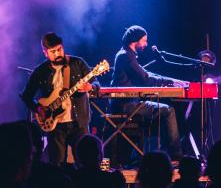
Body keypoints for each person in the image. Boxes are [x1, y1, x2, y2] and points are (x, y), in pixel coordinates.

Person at [20, 32, 99, 165]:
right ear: (45, 52)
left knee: (86, 163)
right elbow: (26, 96)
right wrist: (38, 108)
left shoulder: (77, 63)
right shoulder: (40, 71)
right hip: (55, 127)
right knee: (56, 166)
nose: (57, 54)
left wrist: (90, 87)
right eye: (53, 51)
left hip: (79, 123)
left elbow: (97, 84)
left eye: (59, 49)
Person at [111, 25, 182, 159]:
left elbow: (145, 74)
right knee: (168, 110)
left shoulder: (126, 54)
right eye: (144, 40)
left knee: (161, 110)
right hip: (127, 105)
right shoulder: (126, 56)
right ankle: (176, 155)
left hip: (127, 103)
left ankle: (155, 154)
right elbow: (146, 79)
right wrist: (168, 82)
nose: (146, 44)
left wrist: (168, 80)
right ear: (135, 40)